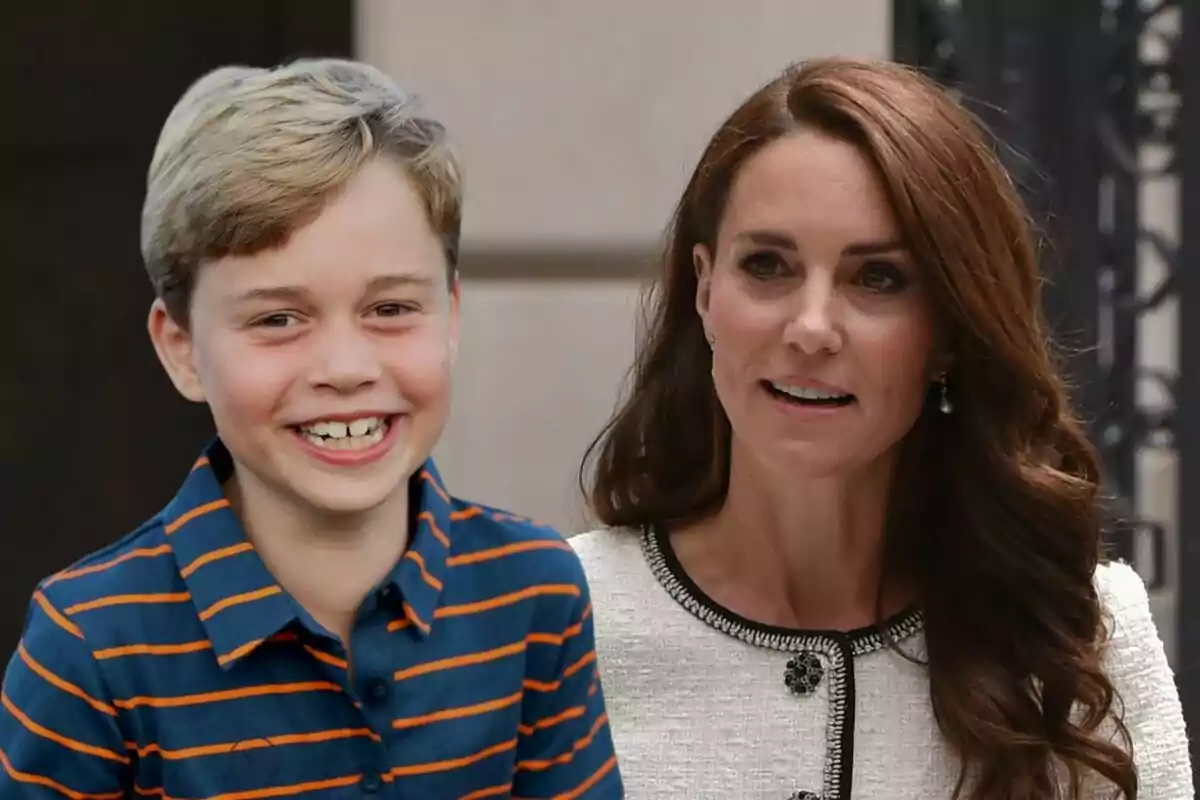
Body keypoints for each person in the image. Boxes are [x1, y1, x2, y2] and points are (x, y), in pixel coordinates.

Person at [572, 57, 1191, 799]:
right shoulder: (555, 619)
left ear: (951, 331)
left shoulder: (1080, 636)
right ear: (705, 289)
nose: (811, 327)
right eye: (767, 265)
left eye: (878, 278)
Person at [0, 59, 621, 799]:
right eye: (277, 319)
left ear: (451, 316)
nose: (346, 366)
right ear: (182, 350)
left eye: (390, 308)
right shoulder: (88, 647)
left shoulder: (535, 593)